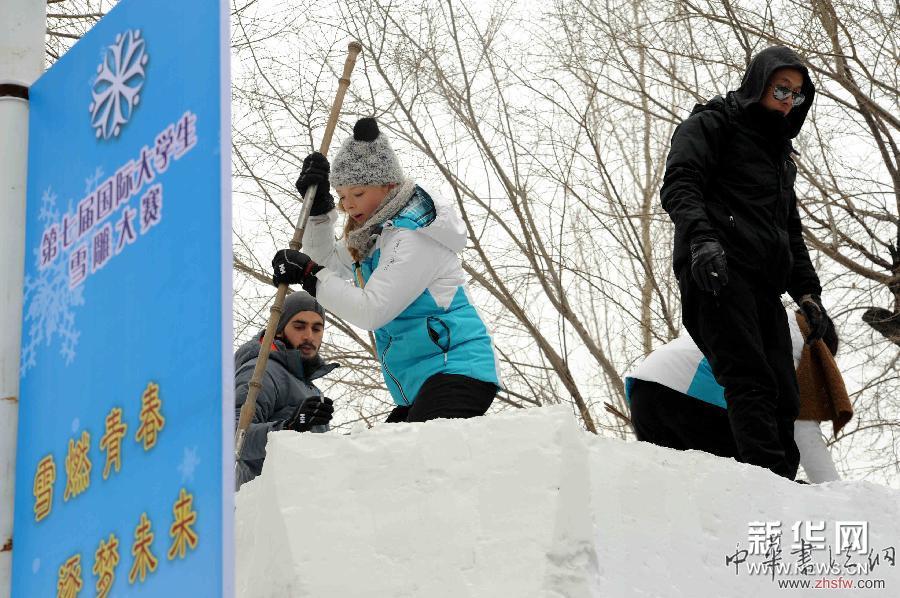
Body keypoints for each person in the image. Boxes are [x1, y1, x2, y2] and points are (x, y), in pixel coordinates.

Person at [659, 46, 831, 479]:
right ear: (758, 82)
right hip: (715, 269)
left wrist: (808, 294)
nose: (788, 100)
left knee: (785, 391)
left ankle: (782, 484)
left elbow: (789, 230)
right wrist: (701, 241)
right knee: (749, 377)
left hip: (762, 283)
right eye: (781, 89)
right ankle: (767, 484)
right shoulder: (712, 124)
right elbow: (680, 183)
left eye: (797, 94)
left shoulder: (779, 156)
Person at [271, 118, 501, 423]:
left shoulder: (414, 236)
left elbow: (372, 310)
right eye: (341, 196)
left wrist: (309, 275)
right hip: (421, 379)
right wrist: (317, 213)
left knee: (417, 450)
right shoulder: (374, 236)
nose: (348, 205)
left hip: (457, 368)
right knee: (384, 451)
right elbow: (328, 263)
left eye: (358, 193)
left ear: (389, 185)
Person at [625, 309, 852, 483]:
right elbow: (804, 429)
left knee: (680, 486)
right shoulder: (798, 340)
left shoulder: (758, 314)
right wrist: (837, 496)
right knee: (762, 472)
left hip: (644, 389)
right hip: (687, 395)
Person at [234, 290, 337, 487]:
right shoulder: (261, 371)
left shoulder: (310, 388)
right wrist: (289, 427)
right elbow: (234, 438)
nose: (309, 336)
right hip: (266, 499)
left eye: (317, 329)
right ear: (279, 330)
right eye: (299, 326)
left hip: (305, 497)